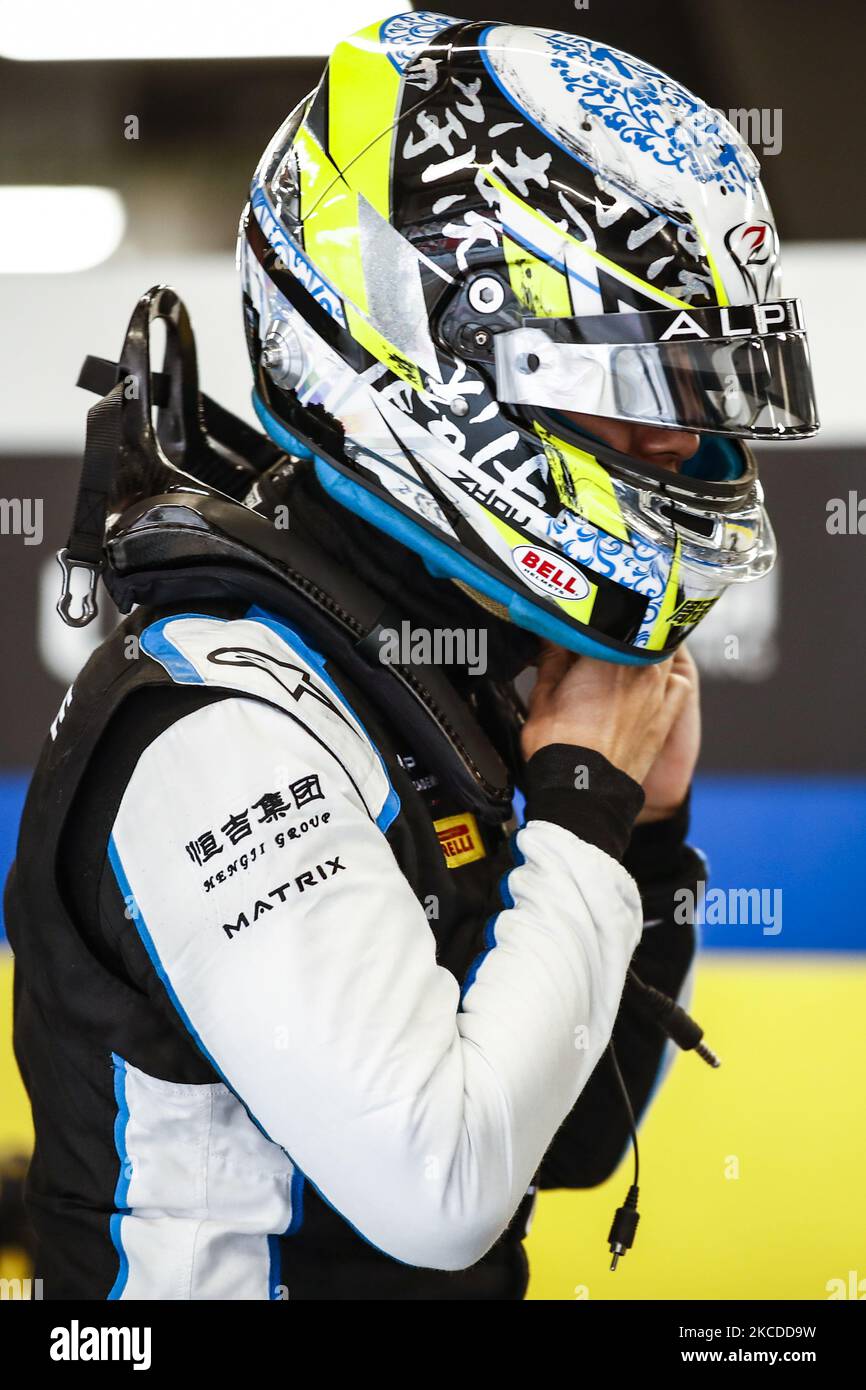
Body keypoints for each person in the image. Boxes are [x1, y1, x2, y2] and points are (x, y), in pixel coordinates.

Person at [5, 13, 817, 1300]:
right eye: (648, 389)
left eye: (706, 397)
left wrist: (638, 833)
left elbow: (570, 1138)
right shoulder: (220, 720)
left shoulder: (414, 665)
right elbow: (441, 1190)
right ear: (435, 356)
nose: (686, 447)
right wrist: (584, 808)